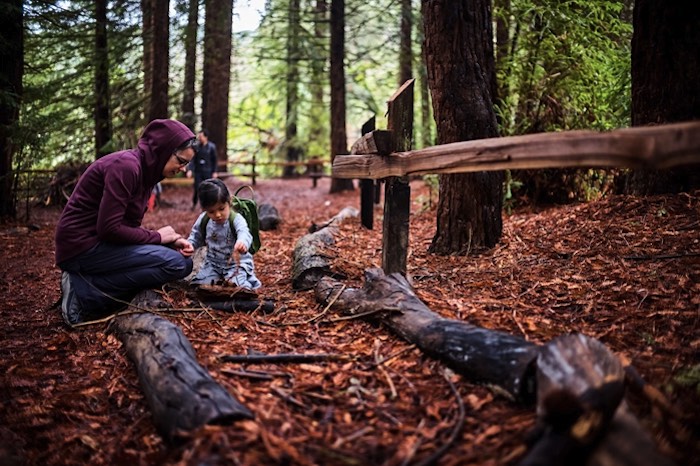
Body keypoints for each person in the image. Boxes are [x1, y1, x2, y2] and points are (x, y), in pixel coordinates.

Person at [55, 119, 197, 326]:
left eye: (187, 164)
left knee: (180, 262)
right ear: (163, 150)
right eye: (181, 161)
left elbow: (124, 228)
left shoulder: (147, 174)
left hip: (99, 244)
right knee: (175, 264)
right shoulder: (126, 167)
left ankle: (87, 286)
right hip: (80, 247)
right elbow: (109, 229)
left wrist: (164, 241)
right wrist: (157, 237)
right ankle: (84, 292)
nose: (183, 169)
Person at [176, 178, 261, 289]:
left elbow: (244, 232)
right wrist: (190, 245)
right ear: (204, 209)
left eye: (221, 209)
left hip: (236, 264)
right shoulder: (204, 220)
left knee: (235, 285)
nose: (217, 215)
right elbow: (196, 236)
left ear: (229, 202)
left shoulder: (235, 219)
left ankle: (246, 287)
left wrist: (242, 242)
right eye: (211, 211)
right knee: (200, 284)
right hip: (212, 263)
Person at [186, 129, 218, 209]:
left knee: (208, 188)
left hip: (208, 171)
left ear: (206, 137)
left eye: (201, 136)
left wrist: (215, 171)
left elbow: (215, 160)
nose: (200, 138)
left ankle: (207, 204)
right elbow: (193, 159)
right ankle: (194, 203)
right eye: (199, 136)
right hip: (198, 171)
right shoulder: (197, 147)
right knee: (197, 188)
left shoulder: (211, 147)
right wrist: (190, 169)